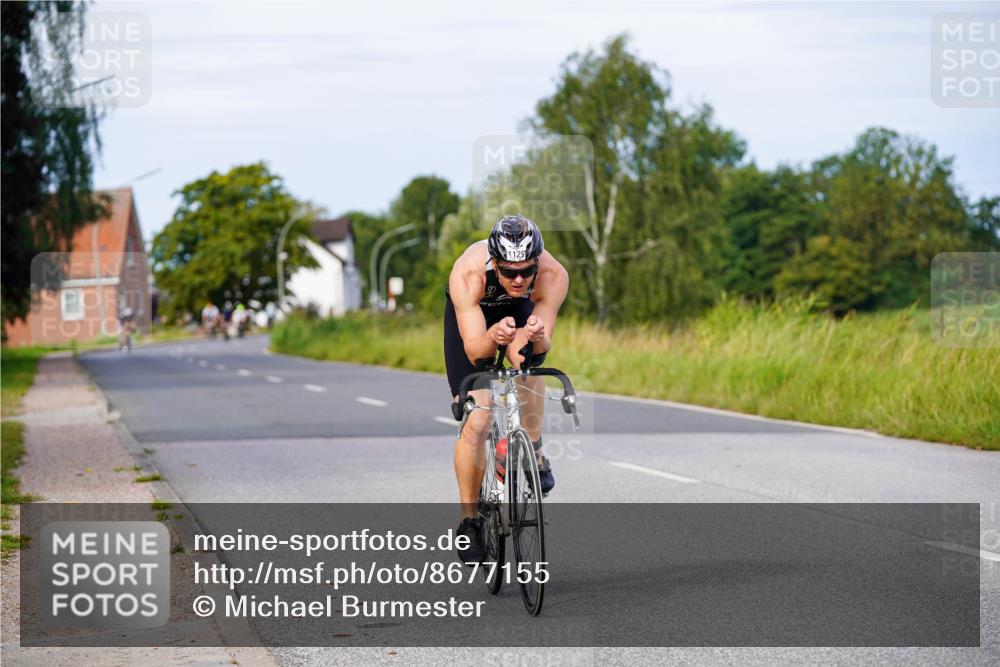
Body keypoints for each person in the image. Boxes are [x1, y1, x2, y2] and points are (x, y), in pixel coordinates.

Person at [444, 214, 568, 564]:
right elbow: (474, 351)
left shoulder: (552, 276)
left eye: (526, 271)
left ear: (537, 263)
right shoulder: (468, 274)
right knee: (479, 420)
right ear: (493, 262)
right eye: (509, 271)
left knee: (526, 366)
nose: (518, 279)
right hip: (474, 317)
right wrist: (492, 336)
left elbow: (535, 350)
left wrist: (531, 336)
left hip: (520, 313)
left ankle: (536, 449)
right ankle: (468, 521)